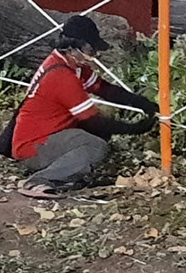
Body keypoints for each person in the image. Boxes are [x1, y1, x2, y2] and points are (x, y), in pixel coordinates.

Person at [12, 15, 159, 198]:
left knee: (99, 135)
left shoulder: (70, 64)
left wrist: (140, 102)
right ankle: (41, 180)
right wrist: (134, 128)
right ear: (72, 47)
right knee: (96, 146)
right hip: (35, 146)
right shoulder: (62, 76)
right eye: (90, 50)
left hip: (49, 136)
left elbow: (104, 89)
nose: (95, 55)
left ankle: (65, 171)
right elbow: (93, 121)